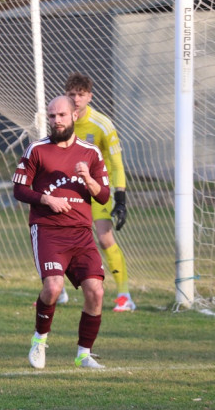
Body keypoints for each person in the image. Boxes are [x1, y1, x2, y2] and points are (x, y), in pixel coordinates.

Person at [14, 95, 111, 370]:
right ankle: (39, 341)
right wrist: (47, 199)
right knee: (53, 287)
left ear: (74, 116)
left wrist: (88, 179)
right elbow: (20, 189)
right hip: (48, 231)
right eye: (52, 116)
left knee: (96, 291)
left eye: (61, 115)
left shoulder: (90, 153)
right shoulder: (37, 150)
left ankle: (83, 354)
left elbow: (103, 196)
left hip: (81, 233)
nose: (56, 121)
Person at [65, 72, 136, 312]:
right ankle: (57, 290)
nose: (76, 99)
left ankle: (124, 295)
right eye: (71, 94)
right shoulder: (61, 120)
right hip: (69, 189)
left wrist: (121, 197)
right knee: (59, 239)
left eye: (81, 94)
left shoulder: (102, 124)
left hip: (97, 189)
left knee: (105, 239)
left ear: (90, 97)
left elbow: (116, 164)